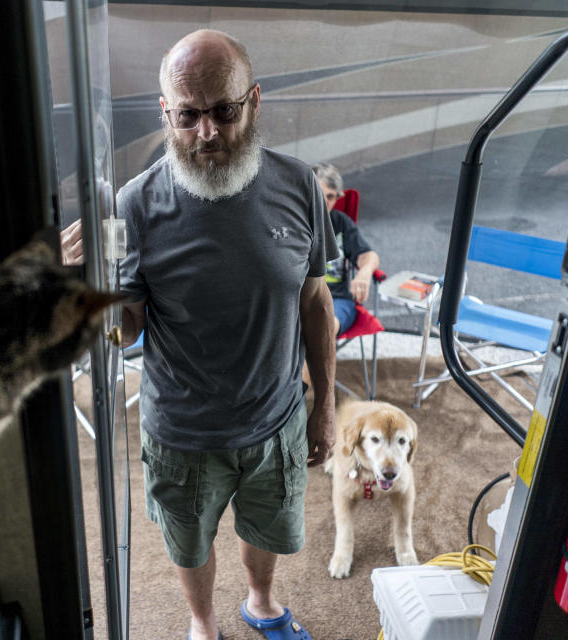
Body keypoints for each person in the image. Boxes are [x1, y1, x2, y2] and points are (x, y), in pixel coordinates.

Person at [117, 29, 339, 640]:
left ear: (255, 101)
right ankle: (202, 620)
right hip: (182, 432)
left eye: (224, 110)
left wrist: (325, 405)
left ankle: (261, 601)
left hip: (275, 418)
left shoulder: (298, 187)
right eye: (188, 116)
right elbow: (127, 326)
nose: (207, 133)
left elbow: (316, 299)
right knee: (189, 544)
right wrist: (91, 299)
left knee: (267, 531)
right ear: (166, 113)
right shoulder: (135, 205)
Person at [311, 162, 380, 336]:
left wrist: (364, 273)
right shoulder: (294, 221)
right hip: (298, 299)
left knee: (322, 329)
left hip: (337, 301)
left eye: (331, 196)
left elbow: (369, 255)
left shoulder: (340, 222)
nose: (325, 201)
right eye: (320, 193)